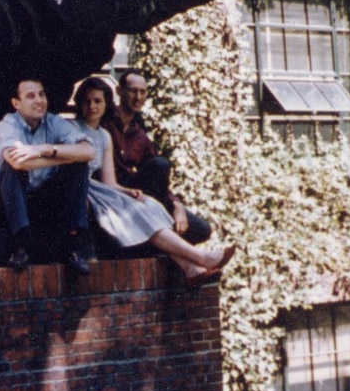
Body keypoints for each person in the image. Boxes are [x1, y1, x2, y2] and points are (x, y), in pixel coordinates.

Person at [72, 78, 234, 287]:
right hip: (87, 190)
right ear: (120, 93)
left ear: (105, 104)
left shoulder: (109, 136)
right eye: (87, 101)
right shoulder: (75, 127)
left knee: (153, 206)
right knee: (145, 208)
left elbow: (110, 181)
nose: (92, 107)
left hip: (111, 191)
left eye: (97, 101)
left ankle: (190, 268)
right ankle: (200, 258)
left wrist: (134, 192)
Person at [0, 78, 95, 275]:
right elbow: (18, 162)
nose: (39, 100)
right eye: (31, 96)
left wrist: (44, 149)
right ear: (16, 103)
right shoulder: (7, 124)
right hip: (8, 205)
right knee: (12, 169)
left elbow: (89, 151)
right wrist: (65, 157)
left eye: (42, 94)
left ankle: (71, 247)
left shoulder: (54, 121)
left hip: (43, 201)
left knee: (79, 166)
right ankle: (20, 247)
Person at [105, 69, 212, 246]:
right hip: (115, 193)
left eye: (142, 92)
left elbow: (158, 177)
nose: (138, 97)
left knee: (201, 229)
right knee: (161, 164)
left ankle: (152, 241)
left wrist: (177, 205)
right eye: (132, 90)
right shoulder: (105, 122)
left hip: (140, 196)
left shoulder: (140, 134)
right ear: (119, 91)